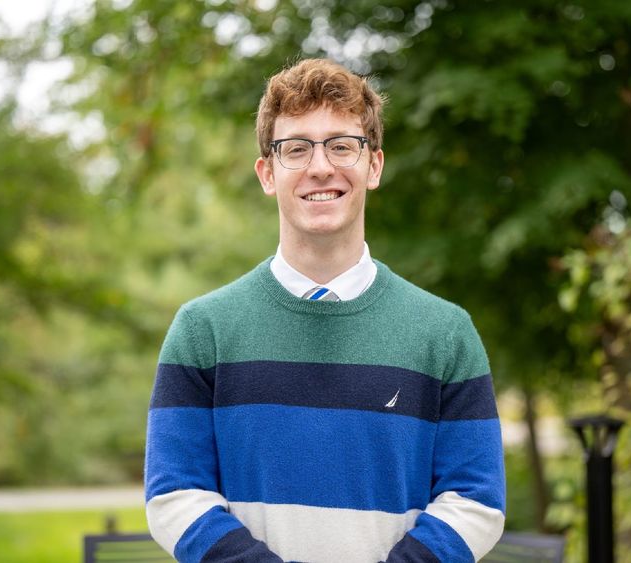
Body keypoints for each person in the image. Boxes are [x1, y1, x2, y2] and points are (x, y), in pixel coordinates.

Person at [145, 58, 506, 563]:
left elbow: (476, 500)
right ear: (267, 173)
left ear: (373, 165)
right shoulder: (203, 331)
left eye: (342, 145)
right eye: (296, 148)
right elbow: (174, 496)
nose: (320, 166)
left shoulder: (444, 333)